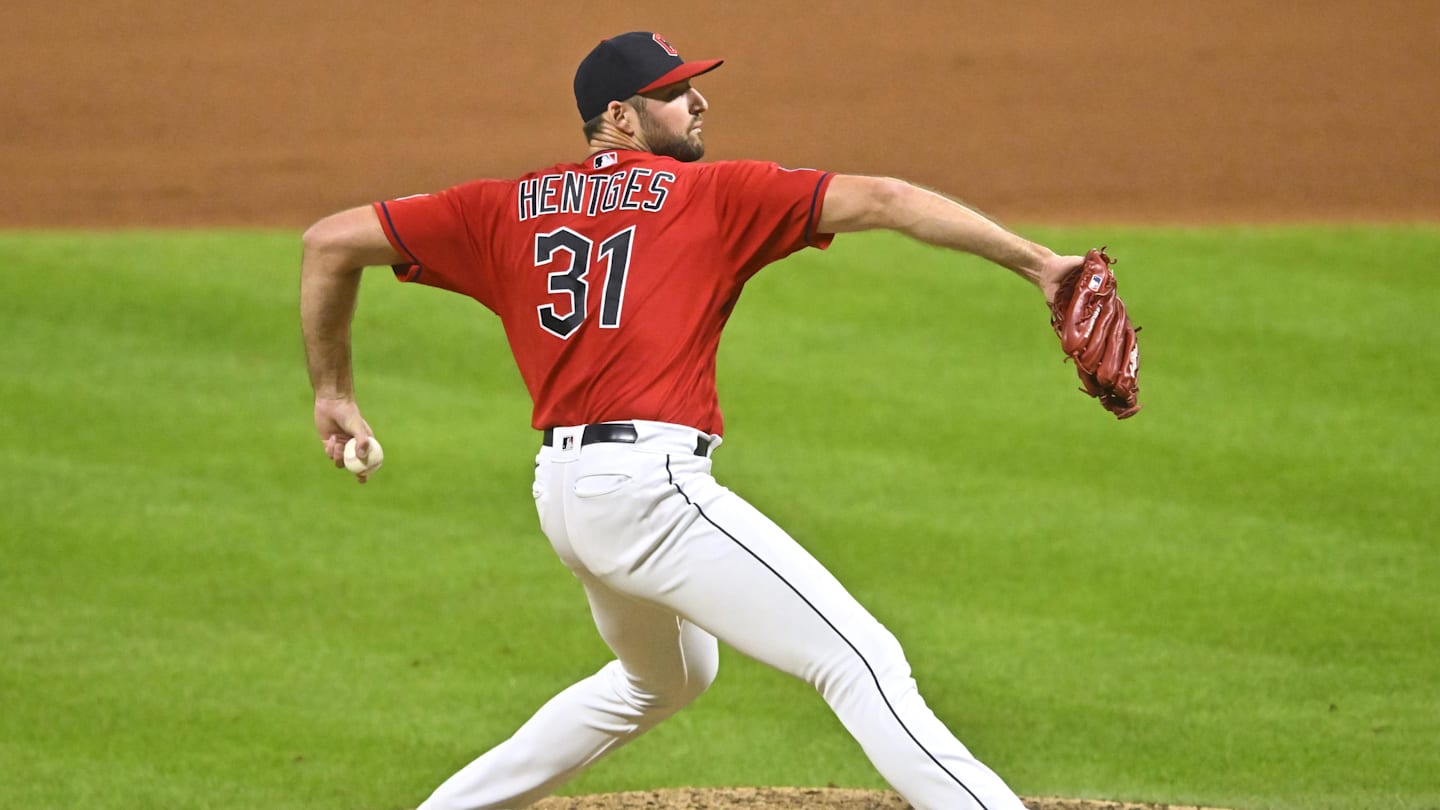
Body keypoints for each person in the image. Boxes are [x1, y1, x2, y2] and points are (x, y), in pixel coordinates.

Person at [301, 30, 1083, 810]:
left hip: (567, 498)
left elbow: (329, 243)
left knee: (664, 679)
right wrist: (1039, 264)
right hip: (649, 492)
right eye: (676, 92)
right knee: (860, 659)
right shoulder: (708, 196)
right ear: (623, 116)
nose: (699, 99)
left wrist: (332, 391)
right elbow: (885, 200)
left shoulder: (501, 207)